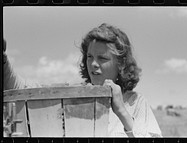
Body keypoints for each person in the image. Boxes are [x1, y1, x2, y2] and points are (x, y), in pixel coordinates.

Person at [3, 23, 162, 137]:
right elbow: (24, 90)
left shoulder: (136, 103)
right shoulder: (75, 96)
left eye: (102, 58)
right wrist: (3, 60)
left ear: (121, 64)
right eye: (89, 57)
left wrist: (121, 111)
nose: (93, 64)